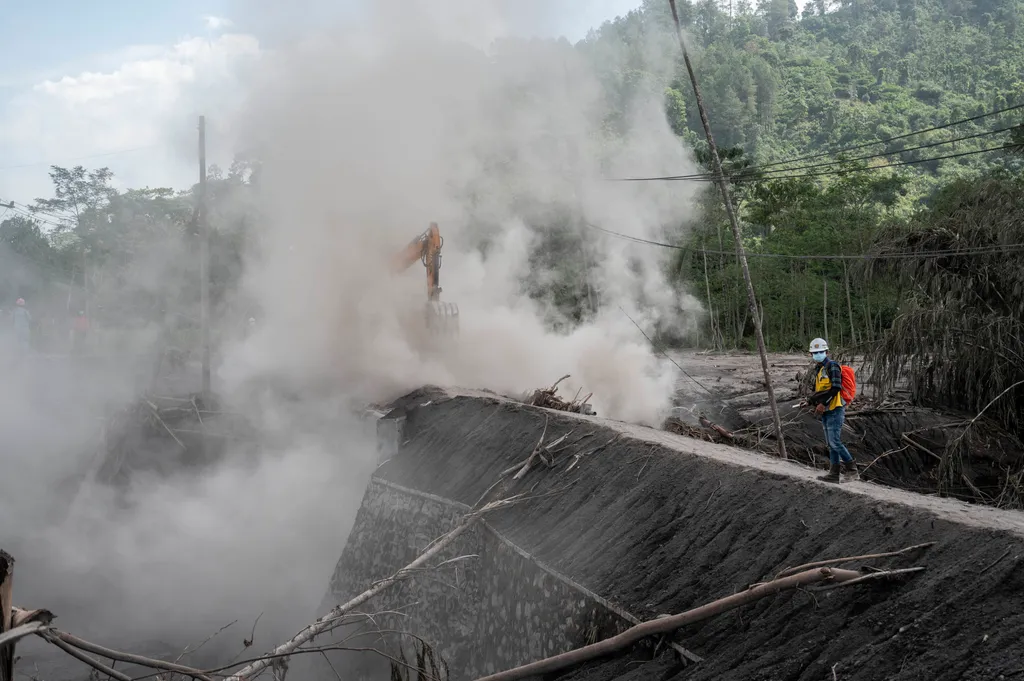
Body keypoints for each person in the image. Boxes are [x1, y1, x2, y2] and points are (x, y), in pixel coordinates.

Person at [805, 337, 858, 483]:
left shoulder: (832, 366)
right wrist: (810, 401)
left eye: (820, 352)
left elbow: (835, 388)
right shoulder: (819, 369)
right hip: (827, 410)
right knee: (830, 444)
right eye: (815, 352)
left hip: (835, 408)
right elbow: (821, 391)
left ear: (827, 352)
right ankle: (834, 474)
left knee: (834, 442)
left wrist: (823, 404)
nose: (817, 354)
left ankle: (852, 470)